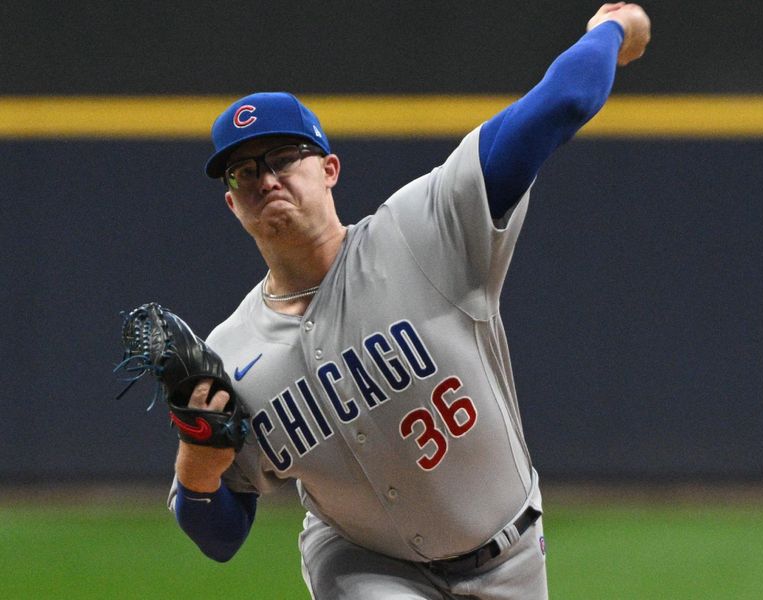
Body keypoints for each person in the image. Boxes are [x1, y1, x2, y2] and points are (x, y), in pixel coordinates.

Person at [168, 3, 651, 598]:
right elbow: (218, 535)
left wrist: (613, 28)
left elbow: (564, 100)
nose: (264, 179)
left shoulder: (424, 232)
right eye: (241, 172)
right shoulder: (229, 352)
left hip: (513, 553)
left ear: (329, 169)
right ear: (232, 204)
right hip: (362, 564)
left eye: (283, 158)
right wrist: (197, 459)